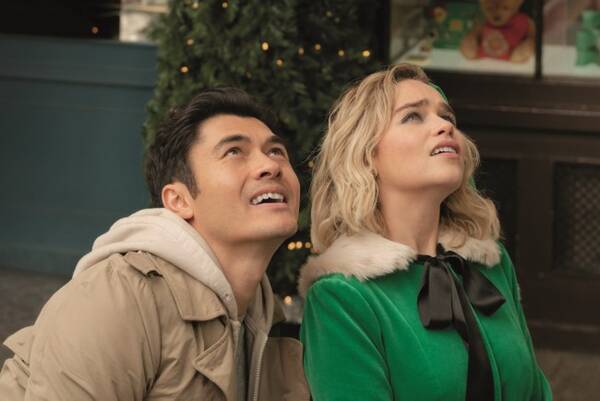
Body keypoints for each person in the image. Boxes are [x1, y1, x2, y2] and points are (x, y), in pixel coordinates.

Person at [0, 87, 309, 401]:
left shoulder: (263, 314)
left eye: (276, 151)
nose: (271, 165)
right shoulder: (120, 296)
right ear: (178, 200)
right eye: (234, 152)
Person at [298, 64, 552, 401]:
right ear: (367, 155)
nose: (445, 126)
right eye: (413, 116)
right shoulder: (341, 297)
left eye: (447, 116)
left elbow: (536, 392)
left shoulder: (492, 265)